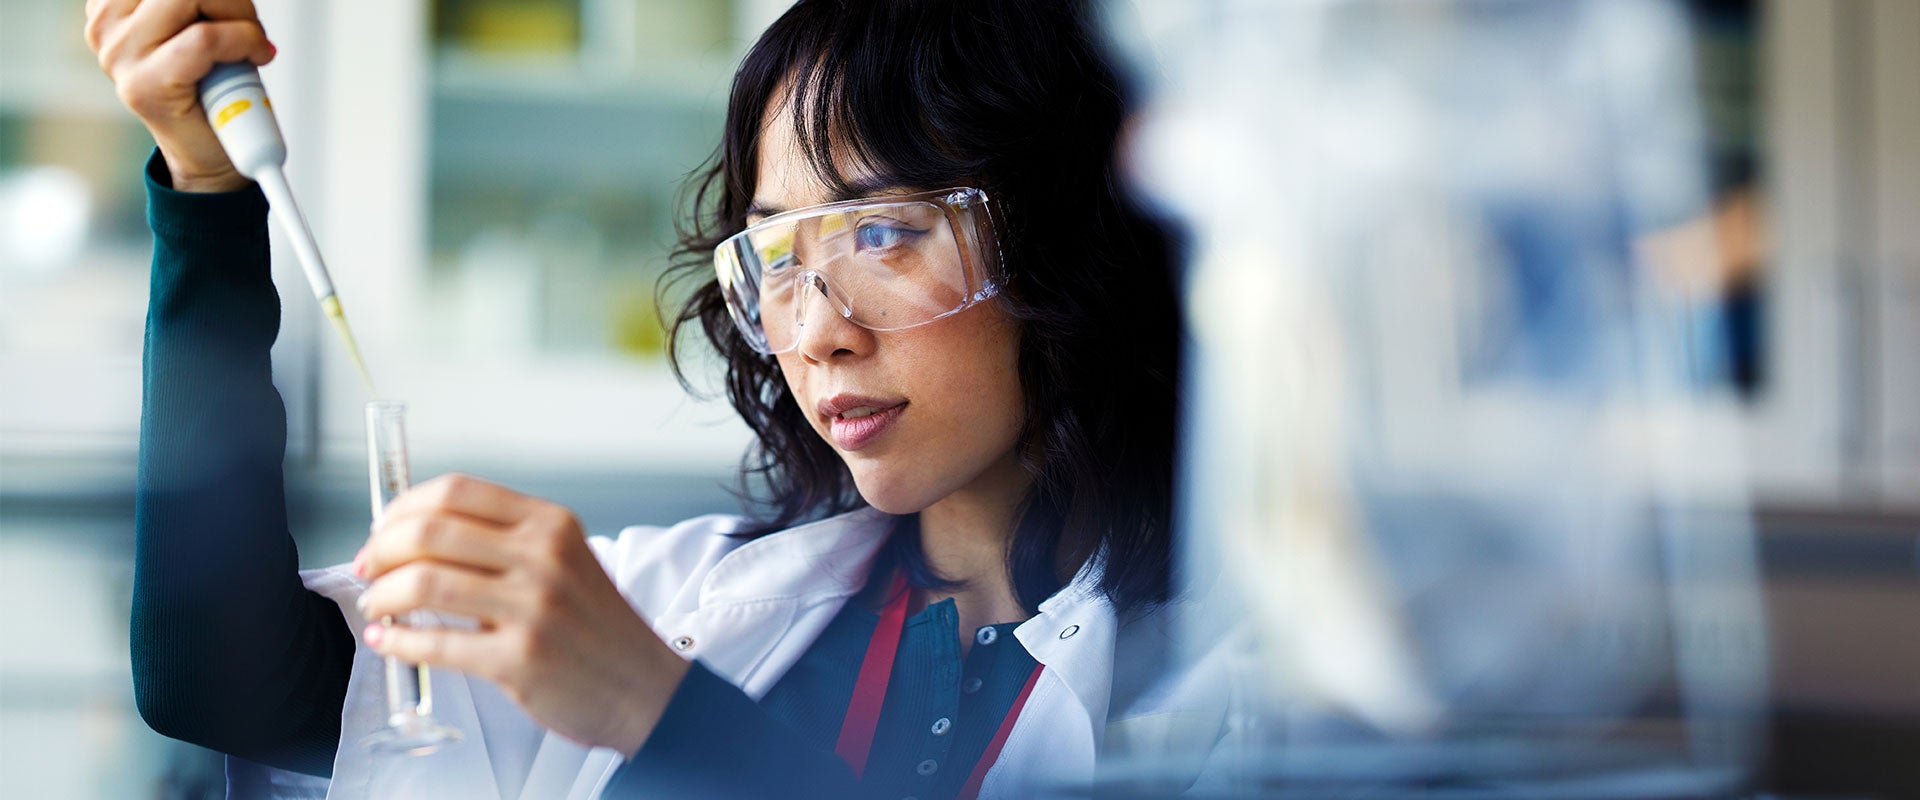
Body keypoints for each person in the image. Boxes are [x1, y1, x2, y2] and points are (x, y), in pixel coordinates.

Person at [87, 0, 1220, 796]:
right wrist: (207, 190)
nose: (819, 328)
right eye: (778, 254)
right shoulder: (684, 604)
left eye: (884, 231)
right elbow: (215, 674)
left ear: (1066, 241)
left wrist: (660, 710)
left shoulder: (1235, 684)